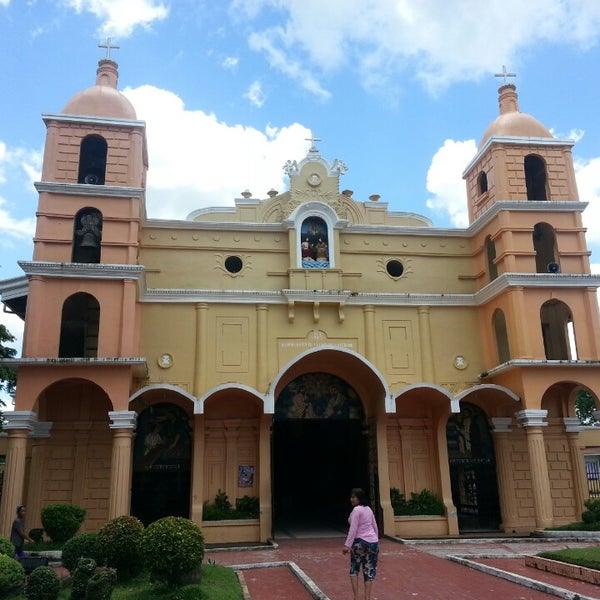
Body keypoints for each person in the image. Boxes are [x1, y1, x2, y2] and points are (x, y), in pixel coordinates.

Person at [342, 488, 379, 600]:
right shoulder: (369, 509)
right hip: (372, 542)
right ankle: (367, 598)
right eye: (351, 497)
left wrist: (347, 545)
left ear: (360, 498)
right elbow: (375, 526)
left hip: (359, 543)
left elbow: (353, 529)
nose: (351, 499)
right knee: (369, 570)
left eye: (354, 497)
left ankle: (356, 597)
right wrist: (377, 542)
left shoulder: (356, 510)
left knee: (354, 569)